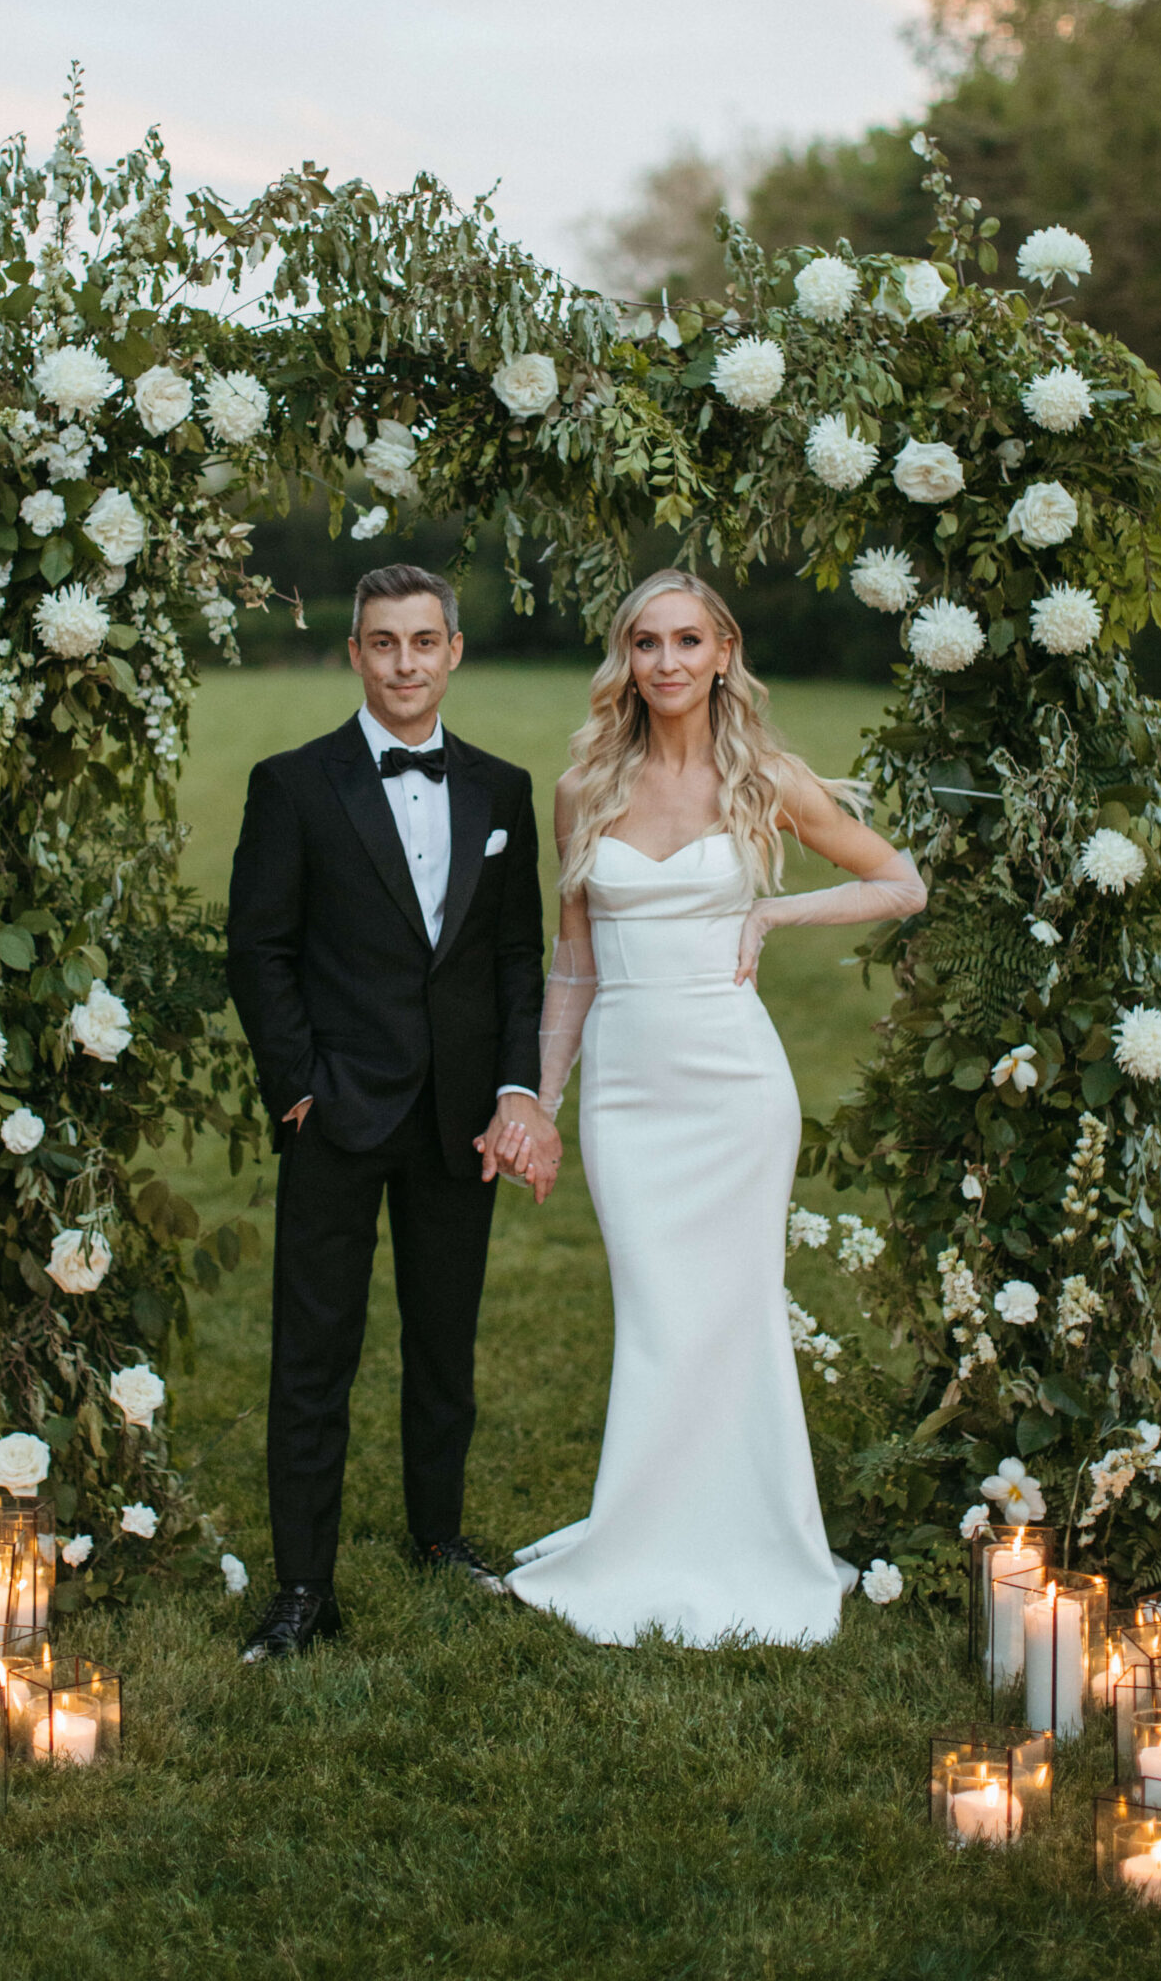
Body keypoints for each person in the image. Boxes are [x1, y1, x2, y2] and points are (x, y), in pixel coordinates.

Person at [506, 568, 926, 1647]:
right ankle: (642, 1535)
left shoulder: (766, 777)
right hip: (629, 1093)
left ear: (724, 651)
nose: (668, 662)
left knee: (731, 1316)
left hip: (736, 1089)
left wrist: (775, 912)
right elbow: (572, 966)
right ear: (627, 661)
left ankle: (750, 1538)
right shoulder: (584, 786)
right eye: (646, 643)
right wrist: (542, 1101)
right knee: (657, 1315)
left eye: (688, 640)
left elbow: (900, 883)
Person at [226, 563, 556, 1661]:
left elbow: (517, 956)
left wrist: (516, 1089)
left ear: (454, 651)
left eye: (424, 641)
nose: (405, 662)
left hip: (458, 1117)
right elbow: (259, 948)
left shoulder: (503, 790)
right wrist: (298, 1087)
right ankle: (303, 1583)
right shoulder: (295, 784)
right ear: (354, 653)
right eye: (383, 642)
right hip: (337, 1109)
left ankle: (437, 1534)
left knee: (444, 1342)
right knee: (314, 1352)